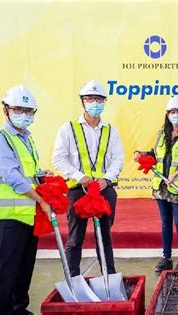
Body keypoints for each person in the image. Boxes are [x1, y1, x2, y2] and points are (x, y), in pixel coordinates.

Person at [52, 80, 124, 277]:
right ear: (82, 101)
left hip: (103, 189)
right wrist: (79, 176)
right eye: (90, 99)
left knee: (105, 237)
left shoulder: (111, 130)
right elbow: (58, 158)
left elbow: (118, 158)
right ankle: (72, 278)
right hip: (77, 189)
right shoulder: (68, 129)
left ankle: (109, 276)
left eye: (99, 99)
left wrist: (107, 179)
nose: (94, 103)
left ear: (104, 102)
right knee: (75, 237)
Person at [0, 85, 52, 315]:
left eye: (29, 111)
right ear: (6, 109)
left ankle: (18, 309)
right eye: (19, 109)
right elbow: (13, 177)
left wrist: (42, 176)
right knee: (4, 271)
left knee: (23, 269)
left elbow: (29, 173)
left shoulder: (27, 139)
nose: (24, 115)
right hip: (8, 218)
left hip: (28, 216)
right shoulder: (1, 140)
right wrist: (42, 200)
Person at [134, 96, 178, 272]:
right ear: (167, 115)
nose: (175, 115)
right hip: (161, 186)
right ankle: (166, 257)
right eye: (172, 112)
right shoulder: (161, 134)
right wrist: (142, 154)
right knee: (165, 223)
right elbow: (155, 154)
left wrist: (176, 174)